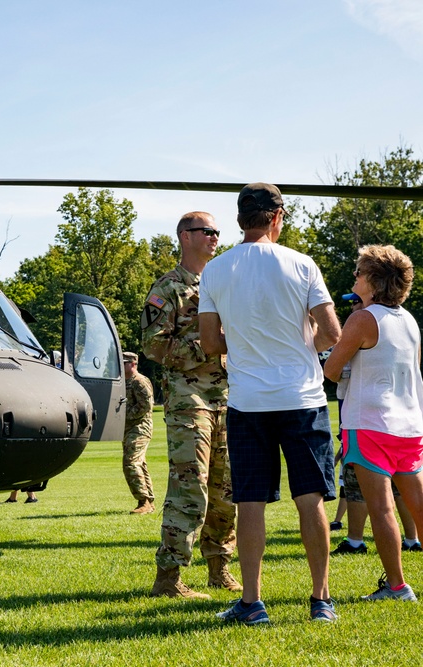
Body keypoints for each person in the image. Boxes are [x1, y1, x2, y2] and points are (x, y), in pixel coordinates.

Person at [200, 183, 341, 624]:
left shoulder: (216, 271)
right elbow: (333, 334)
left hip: (247, 402)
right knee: (310, 499)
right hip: (302, 399)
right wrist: (299, 344)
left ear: (242, 219)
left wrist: (242, 343)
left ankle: (252, 603)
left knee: (251, 503)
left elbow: (208, 343)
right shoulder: (302, 264)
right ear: (278, 217)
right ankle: (320, 601)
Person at [142, 211, 238, 599]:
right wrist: (209, 345)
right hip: (189, 402)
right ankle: (168, 579)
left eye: (217, 231)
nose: (215, 237)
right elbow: (153, 345)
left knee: (226, 489)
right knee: (189, 488)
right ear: (185, 236)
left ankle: (220, 569)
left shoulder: (221, 283)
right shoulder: (168, 288)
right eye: (207, 231)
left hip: (228, 401)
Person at [323, 244, 423, 602]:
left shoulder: (362, 318)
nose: (355, 277)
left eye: (359, 272)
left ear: (374, 280)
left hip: (369, 424)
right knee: (417, 504)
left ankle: (397, 586)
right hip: (410, 424)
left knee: (381, 509)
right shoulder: (409, 320)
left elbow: (332, 371)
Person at [120, 351, 154, 514]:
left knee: (131, 462)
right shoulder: (123, 382)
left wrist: (123, 415)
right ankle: (149, 501)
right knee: (139, 463)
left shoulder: (139, 382)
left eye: (124, 362)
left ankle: (143, 500)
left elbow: (145, 406)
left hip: (140, 427)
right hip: (129, 428)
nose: (121, 364)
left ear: (133, 364)